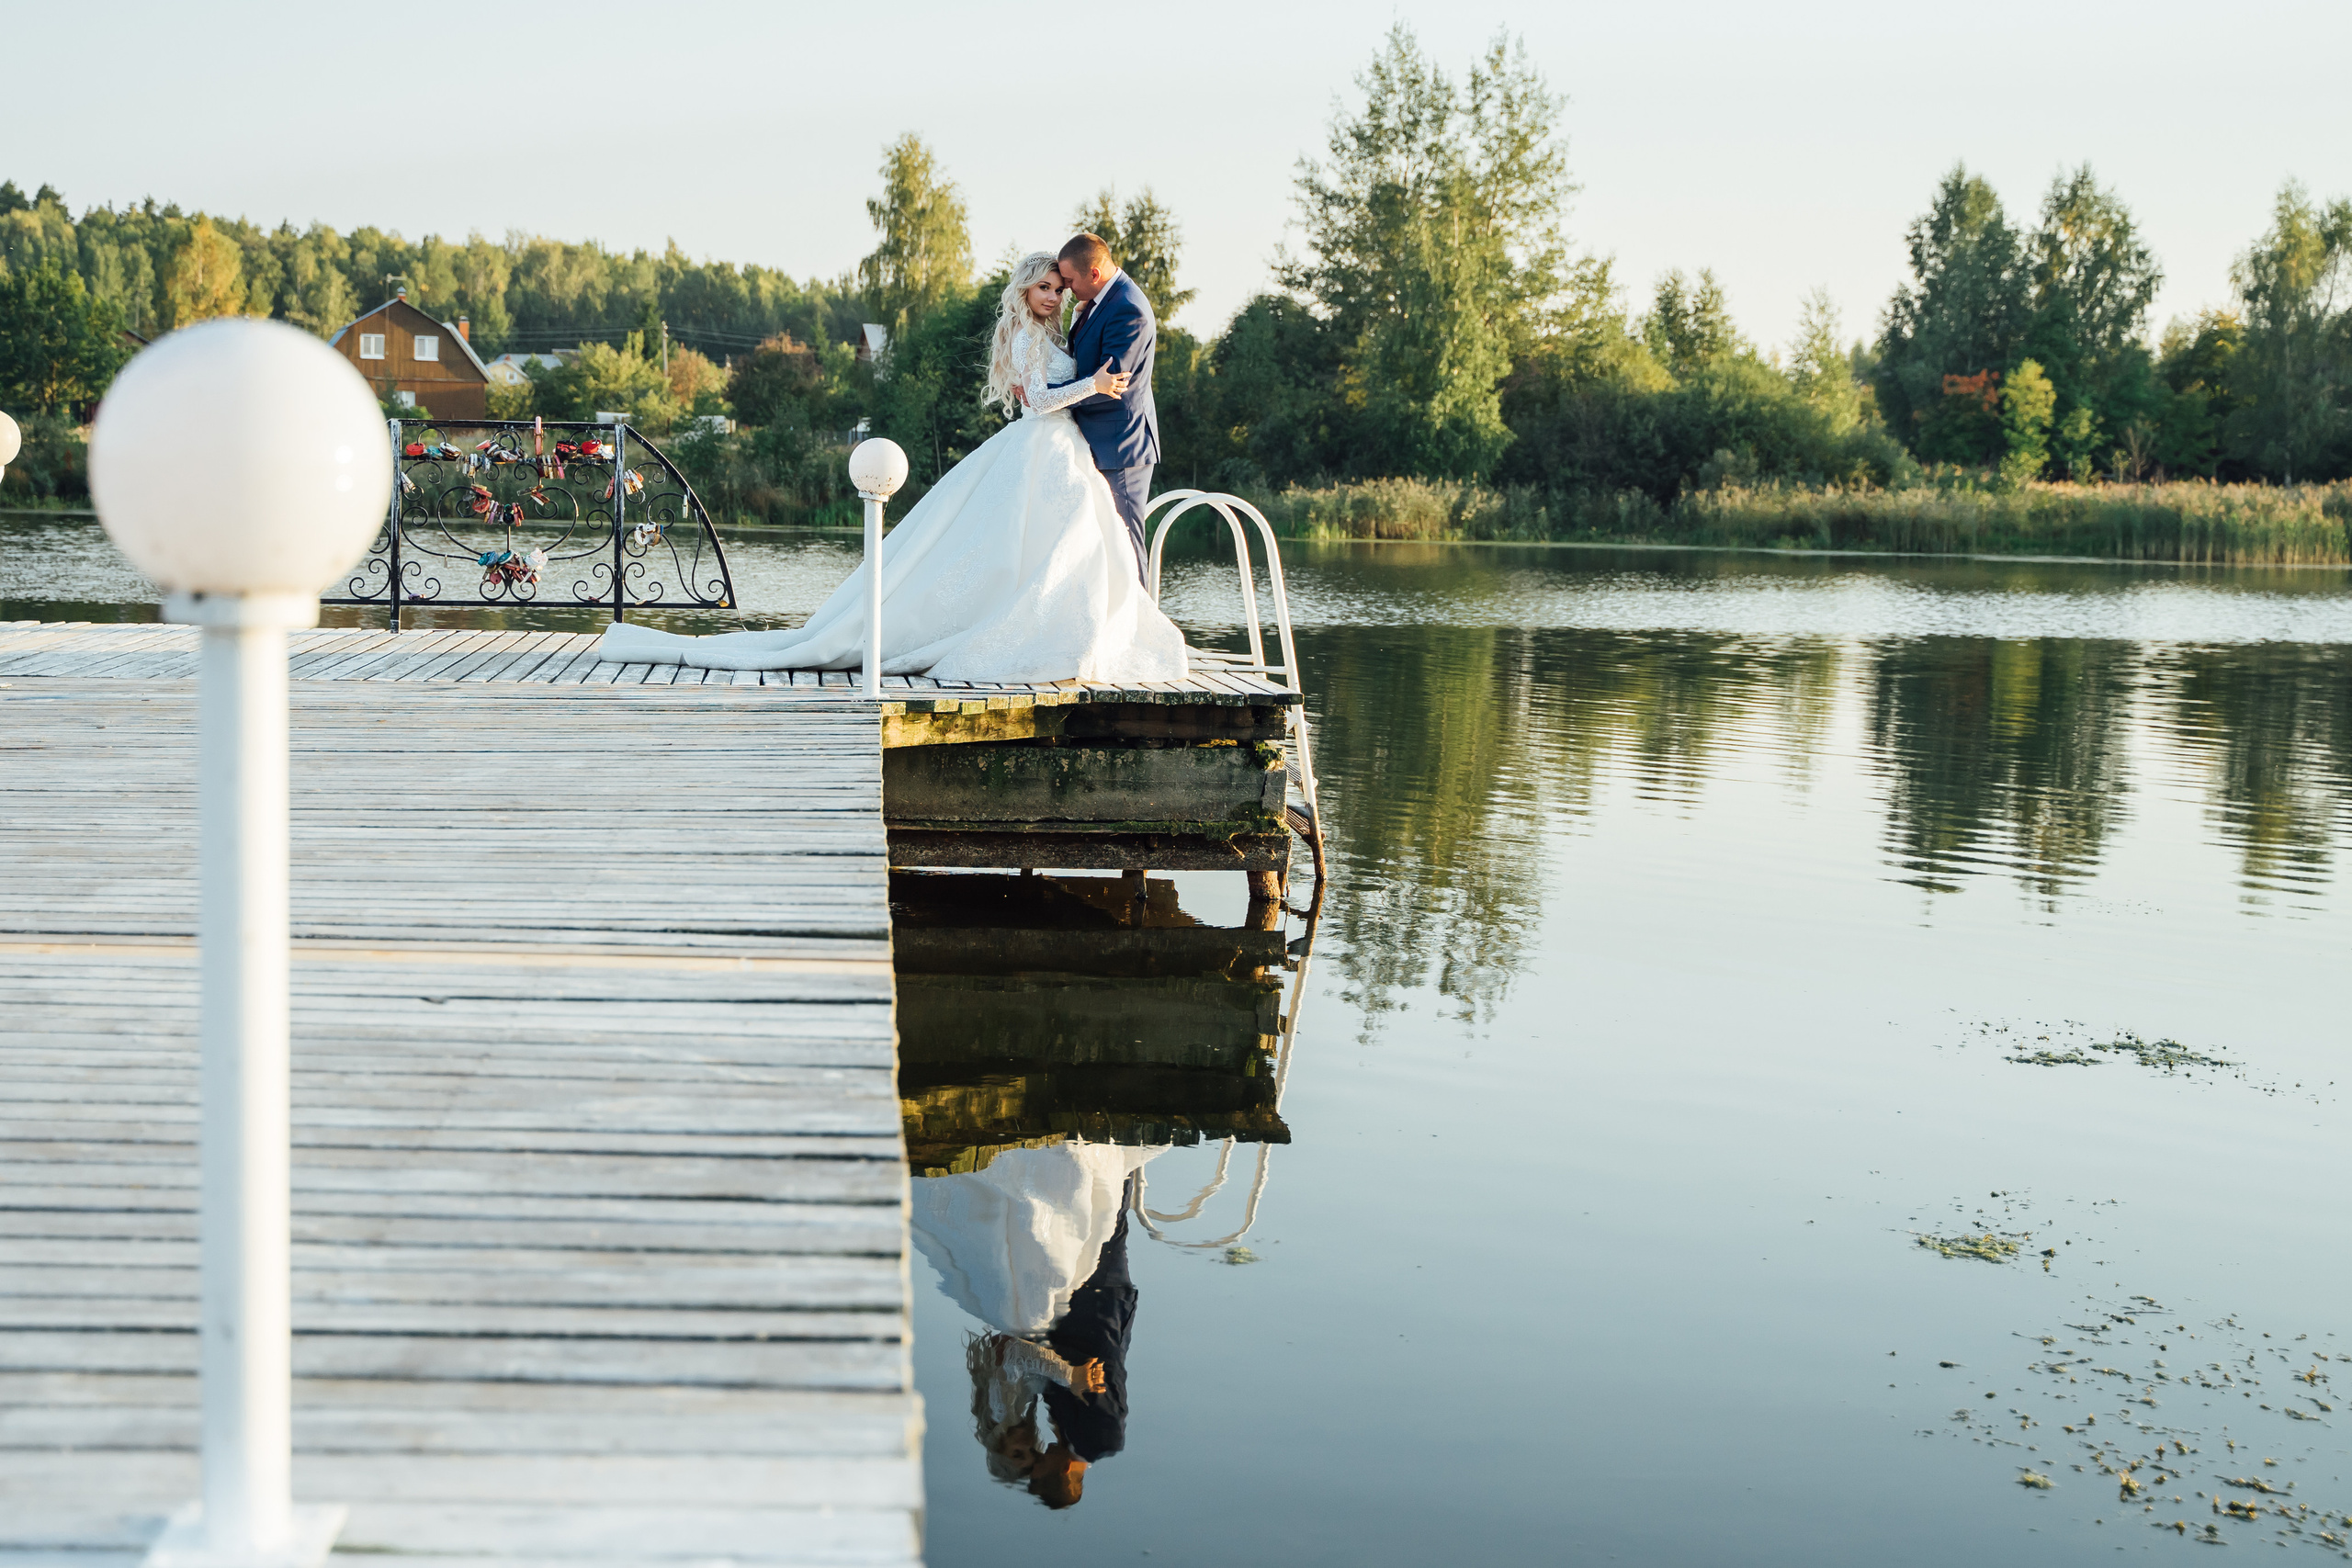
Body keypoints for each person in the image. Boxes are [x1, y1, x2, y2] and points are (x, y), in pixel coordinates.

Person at [591, 251, 1187, 682]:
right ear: (1024, 294)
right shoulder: (1027, 338)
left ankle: (1074, 633)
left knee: (1065, 549)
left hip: (1063, 453)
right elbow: (1034, 399)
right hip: (1040, 443)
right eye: (1045, 289)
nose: (1055, 297)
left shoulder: (1057, 328)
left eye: (1059, 287)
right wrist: (1093, 383)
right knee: (1015, 548)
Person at [913, 1143, 1156, 1507]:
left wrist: (1063, 1373)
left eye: (1025, 1458)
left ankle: (1098, 1148)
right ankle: (1105, 1146)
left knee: (1099, 1212)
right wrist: (1066, 1372)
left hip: (1085, 1304)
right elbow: (1094, 1371)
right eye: (1037, 1464)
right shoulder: (1099, 1440)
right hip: (1098, 1306)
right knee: (1102, 1213)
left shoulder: (1035, 1422)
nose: (1037, 1454)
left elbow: (1036, 1361)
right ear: (1060, 1473)